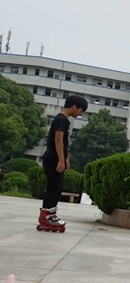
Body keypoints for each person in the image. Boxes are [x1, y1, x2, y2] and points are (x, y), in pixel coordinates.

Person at [37, 95, 88, 233]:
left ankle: (50, 215)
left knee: (57, 187)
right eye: (81, 111)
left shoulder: (63, 120)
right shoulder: (61, 120)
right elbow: (58, 140)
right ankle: (46, 216)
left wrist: (65, 158)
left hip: (57, 157)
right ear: (74, 107)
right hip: (53, 158)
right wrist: (60, 159)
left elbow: (63, 143)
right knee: (54, 187)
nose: (80, 114)